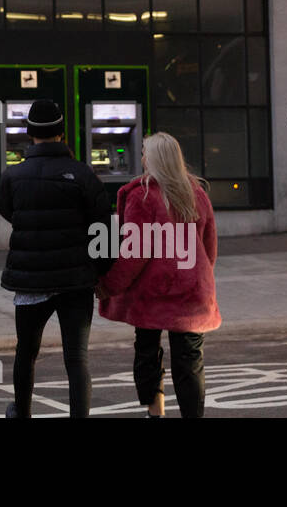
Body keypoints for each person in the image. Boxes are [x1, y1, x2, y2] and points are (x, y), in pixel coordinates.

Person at [0, 99, 112, 419]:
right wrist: (101, 272)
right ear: (62, 133)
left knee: (27, 352)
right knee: (77, 359)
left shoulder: (13, 176)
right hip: (76, 280)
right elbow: (102, 227)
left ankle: (21, 412)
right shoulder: (83, 174)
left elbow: (9, 212)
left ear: (29, 133)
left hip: (30, 279)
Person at [98, 132, 221, 418]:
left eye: (144, 153)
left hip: (151, 293)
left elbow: (134, 252)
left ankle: (156, 413)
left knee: (148, 353)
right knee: (190, 360)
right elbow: (209, 246)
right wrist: (200, 276)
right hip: (192, 291)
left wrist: (110, 285)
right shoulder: (197, 194)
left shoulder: (142, 196)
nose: (141, 158)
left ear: (153, 159)